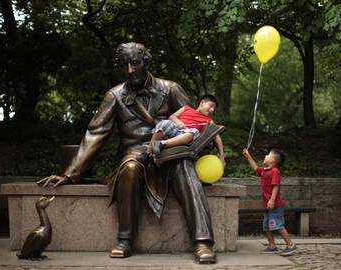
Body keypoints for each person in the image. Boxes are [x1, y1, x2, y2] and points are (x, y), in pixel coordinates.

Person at [37, 42, 217, 264]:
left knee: (185, 168)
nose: (130, 70)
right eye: (124, 65)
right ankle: (125, 239)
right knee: (129, 168)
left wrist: (203, 141)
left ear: (146, 62)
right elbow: (96, 133)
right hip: (135, 153)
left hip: (170, 150)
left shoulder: (170, 88)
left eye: (135, 63)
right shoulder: (114, 95)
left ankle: (203, 242)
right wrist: (70, 173)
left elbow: (193, 121)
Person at [242, 148, 297, 256]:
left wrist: (271, 200)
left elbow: (276, 186)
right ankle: (272, 246)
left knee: (278, 226)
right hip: (267, 206)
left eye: (268, 155)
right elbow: (254, 167)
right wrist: (248, 155)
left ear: (272, 160)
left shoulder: (275, 171)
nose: (265, 156)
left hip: (275, 206)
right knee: (266, 226)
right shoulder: (264, 171)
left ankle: (290, 245)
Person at [148, 94, 225, 166]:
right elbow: (172, 117)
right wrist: (178, 122)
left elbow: (216, 134)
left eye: (214, 108)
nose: (212, 110)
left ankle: (161, 144)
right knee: (164, 123)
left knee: (194, 131)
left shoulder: (208, 120)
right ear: (202, 103)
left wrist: (222, 155)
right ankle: (149, 152)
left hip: (186, 136)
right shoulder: (186, 108)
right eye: (211, 106)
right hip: (175, 129)